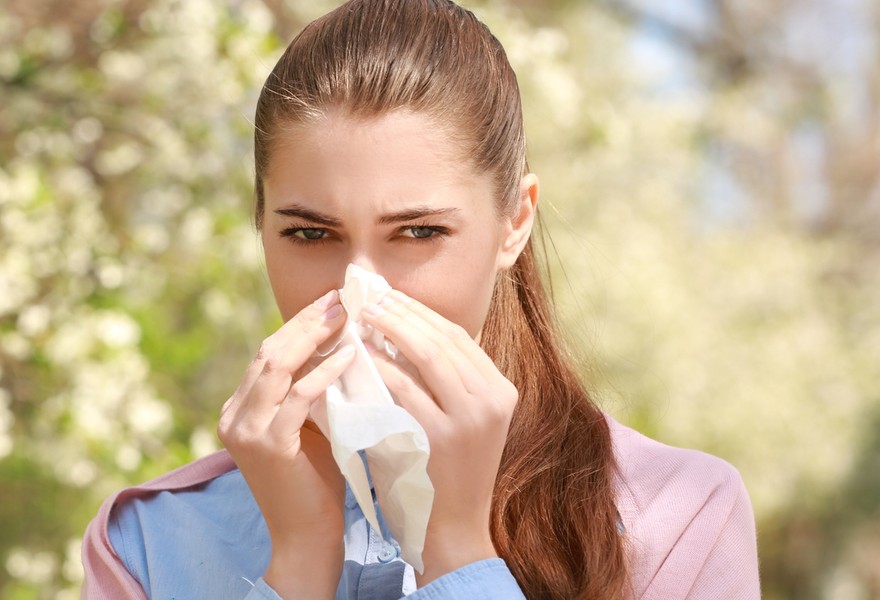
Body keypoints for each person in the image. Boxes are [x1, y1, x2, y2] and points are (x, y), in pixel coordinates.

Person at [82, 0, 760, 598]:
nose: (358, 289)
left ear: (514, 222)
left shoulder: (678, 517)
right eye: (311, 233)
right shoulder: (148, 543)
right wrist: (296, 563)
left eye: (419, 232)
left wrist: (458, 550)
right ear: (260, 224)